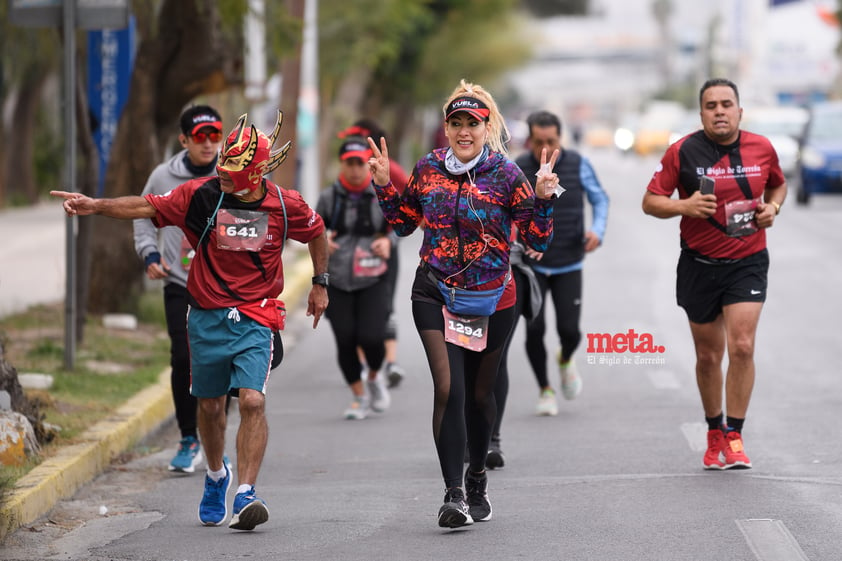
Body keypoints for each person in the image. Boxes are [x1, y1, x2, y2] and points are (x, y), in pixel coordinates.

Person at [52, 110, 329, 530]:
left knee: (252, 400)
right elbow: (146, 206)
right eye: (221, 167)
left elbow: (317, 232)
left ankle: (246, 494)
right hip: (206, 317)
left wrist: (319, 283)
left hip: (256, 315)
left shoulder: (285, 205)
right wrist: (95, 205)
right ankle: (217, 475)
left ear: (255, 176)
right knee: (211, 406)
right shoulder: (200, 195)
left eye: (232, 171)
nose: (222, 174)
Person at [367, 79, 558, 528]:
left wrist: (545, 199)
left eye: (471, 123)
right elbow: (403, 224)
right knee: (447, 388)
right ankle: (453, 493)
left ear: (484, 126)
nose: (463, 131)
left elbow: (537, 241)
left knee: (479, 395)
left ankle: (476, 478)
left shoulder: (507, 175)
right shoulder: (429, 167)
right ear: (447, 129)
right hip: (434, 290)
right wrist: (382, 186)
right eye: (455, 123)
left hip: (492, 299)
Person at [642, 78, 786, 470]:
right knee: (709, 356)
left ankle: (735, 435)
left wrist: (773, 209)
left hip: (747, 260)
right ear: (701, 112)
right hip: (699, 265)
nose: (719, 111)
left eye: (726, 104)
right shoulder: (682, 151)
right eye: (711, 105)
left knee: (742, 346)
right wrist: (684, 207)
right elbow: (651, 202)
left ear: (740, 110)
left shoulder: (763, 148)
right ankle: (714, 431)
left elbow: (778, 187)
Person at [133, 105, 224, 473]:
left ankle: (215, 439)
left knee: (222, 363)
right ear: (183, 139)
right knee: (184, 358)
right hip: (179, 283)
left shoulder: (232, 173)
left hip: (224, 289)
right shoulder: (162, 176)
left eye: (214, 135)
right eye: (200, 137)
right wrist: (150, 253)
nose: (208, 143)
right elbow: (141, 217)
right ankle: (188, 438)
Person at [316, 136, 395, 419]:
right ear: (342, 164)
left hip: (373, 276)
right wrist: (323, 239)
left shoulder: (380, 193)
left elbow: (398, 225)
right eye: (350, 163)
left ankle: (374, 376)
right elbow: (313, 230)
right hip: (337, 278)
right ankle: (359, 396)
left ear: (368, 164)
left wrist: (388, 242)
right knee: (345, 339)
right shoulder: (329, 197)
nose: (355, 169)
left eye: (360, 163)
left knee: (373, 337)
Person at [339, 119, 409, 388]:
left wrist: (394, 230)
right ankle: (368, 367)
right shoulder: (349, 175)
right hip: (354, 250)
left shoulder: (391, 169)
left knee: (385, 306)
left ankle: (390, 362)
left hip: (386, 243)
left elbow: (414, 196)